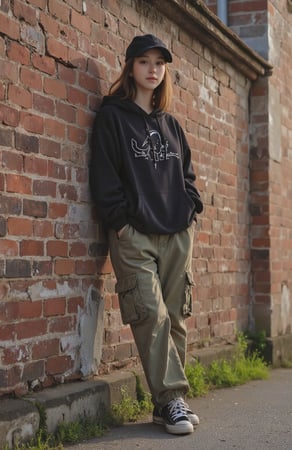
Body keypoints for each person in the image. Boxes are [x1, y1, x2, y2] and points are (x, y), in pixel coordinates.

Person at [89, 34, 203, 435]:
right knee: (150, 315)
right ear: (130, 67)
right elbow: (103, 175)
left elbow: (187, 175)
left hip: (176, 232)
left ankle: (164, 406)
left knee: (175, 318)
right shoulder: (112, 117)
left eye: (159, 63)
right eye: (144, 61)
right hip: (133, 233)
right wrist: (119, 222)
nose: (153, 69)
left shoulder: (171, 125)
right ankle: (173, 398)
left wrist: (192, 209)